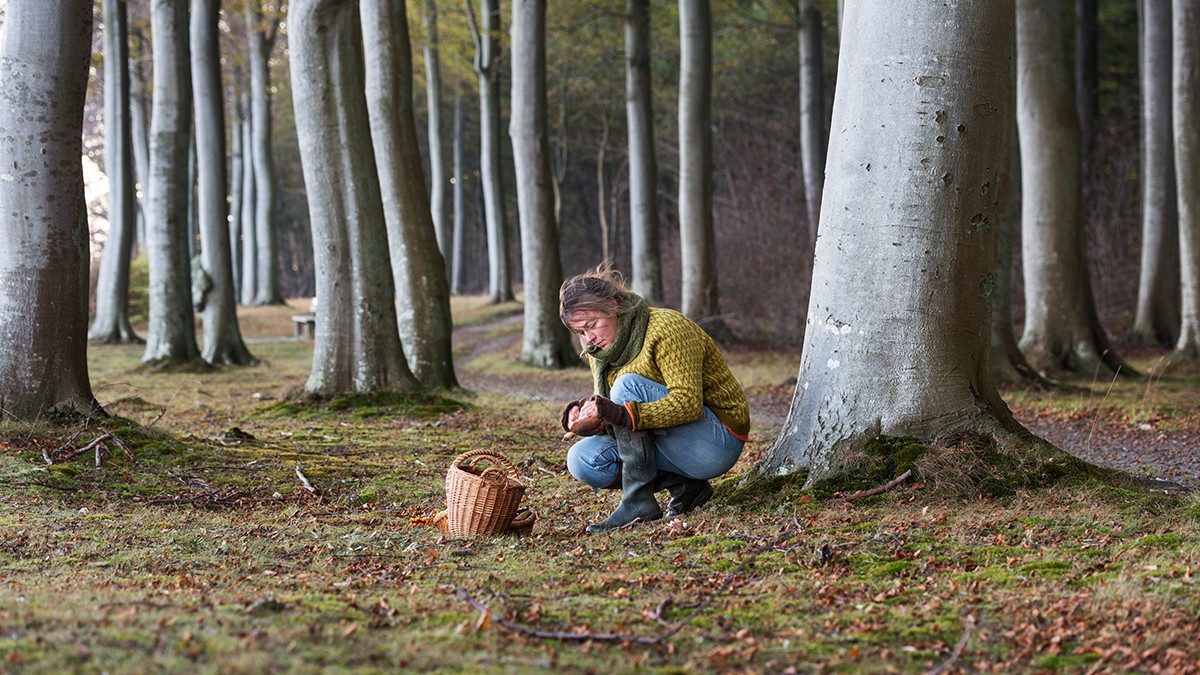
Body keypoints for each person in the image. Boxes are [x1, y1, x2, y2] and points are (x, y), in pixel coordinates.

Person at [558, 266, 750, 533]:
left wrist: (618, 411)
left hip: (716, 442)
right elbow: (623, 422)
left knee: (627, 384)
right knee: (582, 459)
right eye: (580, 332)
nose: (588, 338)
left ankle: (638, 504)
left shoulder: (667, 329)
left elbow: (687, 404)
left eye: (592, 325)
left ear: (614, 304)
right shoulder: (599, 351)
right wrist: (592, 417)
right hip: (669, 443)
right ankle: (687, 487)